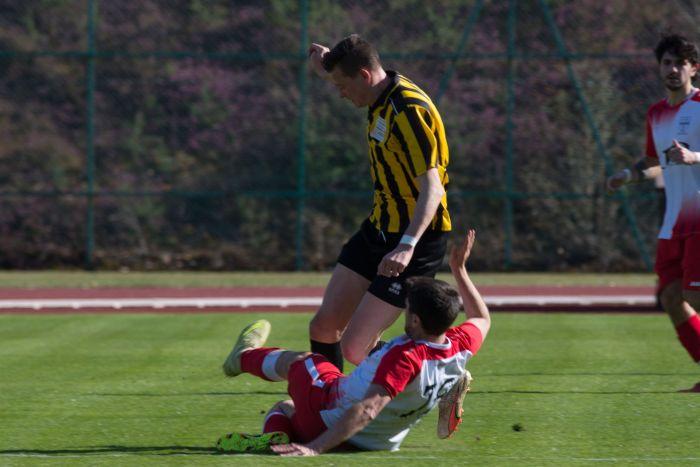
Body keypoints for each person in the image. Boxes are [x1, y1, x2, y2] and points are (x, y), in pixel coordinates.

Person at [217, 230, 490, 455]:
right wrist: (459, 270)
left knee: (306, 362)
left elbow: (368, 409)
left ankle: (242, 357)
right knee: (285, 407)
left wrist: (314, 448)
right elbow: (481, 318)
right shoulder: (459, 345)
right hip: (381, 442)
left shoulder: (406, 357)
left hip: (333, 421)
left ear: (416, 320)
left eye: (407, 309)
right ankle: (278, 435)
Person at [306, 34, 452, 370]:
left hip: (416, 236)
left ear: (364, 76)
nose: (340, 93)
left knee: (356, 348)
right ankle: (328, 397)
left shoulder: (408, 111)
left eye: (342, 86)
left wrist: (406, 246)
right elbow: (351, 73)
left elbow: (433, 189)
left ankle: (441, 373)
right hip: (379, 228)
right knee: (324, 327)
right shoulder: (377, 92)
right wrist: (327, 69)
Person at [607, 34, 700, 382]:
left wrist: (694, 156)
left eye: (680, 63)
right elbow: (652, 161)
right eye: (667, 63)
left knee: (694, 294)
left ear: (694, 68)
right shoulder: (656, 113)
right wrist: (628, 176)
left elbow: (687, 157)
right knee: (671, 296)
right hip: (673, 222)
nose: (673, 69)